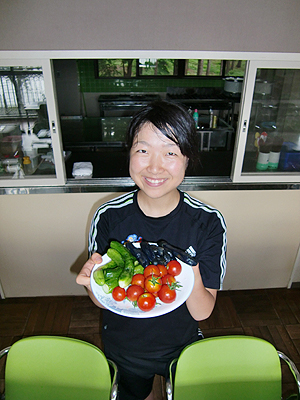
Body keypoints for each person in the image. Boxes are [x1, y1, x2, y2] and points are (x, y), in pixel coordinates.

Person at [76, 100, 227, 400]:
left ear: (188, 159)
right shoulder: (108, 215)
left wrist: (191, 267)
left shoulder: (208, 222)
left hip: (182, 344)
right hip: (123, 346)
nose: (154, 166)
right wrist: (92, 283)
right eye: (143, 150)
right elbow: (104, 301)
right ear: (129, 153)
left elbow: (203, 310)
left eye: (170, 152)